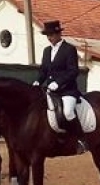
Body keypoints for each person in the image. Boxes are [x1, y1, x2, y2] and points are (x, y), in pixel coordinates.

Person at [34, 20, 88, 154]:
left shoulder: (69, 49)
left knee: (68, 111)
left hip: (67, 90)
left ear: (58, 34)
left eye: (51, 34)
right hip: (50, 90)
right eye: (47, 35)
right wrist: (37, 81)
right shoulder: (47, 51)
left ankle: (81, 139)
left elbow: (73, 71)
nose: (49, 37)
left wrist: (58, 83)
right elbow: (43, 71)